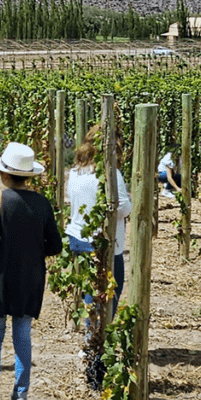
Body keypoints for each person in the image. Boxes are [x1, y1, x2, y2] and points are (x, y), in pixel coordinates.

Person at [0, 142, 62, 400]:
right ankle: (21, 399)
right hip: (31, 277)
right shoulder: (42, 203)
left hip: (1, 277)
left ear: (5, 175)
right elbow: (55, 246)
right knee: (22, 336)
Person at [66, 127, 132, 309]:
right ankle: (96, 335)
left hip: (77, 236)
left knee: (90, 287)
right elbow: (123, 207)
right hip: (102, 241)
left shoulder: (75, 172)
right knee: (107, 292)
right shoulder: (111, 175)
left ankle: (92, 332)